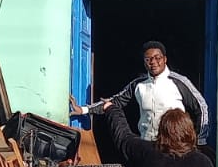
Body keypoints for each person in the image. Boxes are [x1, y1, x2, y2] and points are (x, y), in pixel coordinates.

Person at [75, 41, 210, 148]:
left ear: (165, 59)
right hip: (146, 144)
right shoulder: (138, 84)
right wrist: (84, 110)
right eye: (148, 59)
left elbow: (201, 106)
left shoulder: (179, 82)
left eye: (158, 58)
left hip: (174, 146)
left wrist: (200, 139)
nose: (153, 62)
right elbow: (115, 101)